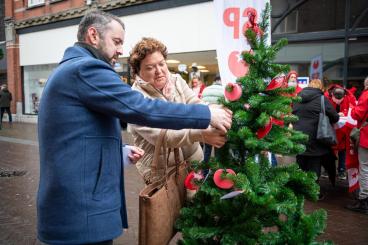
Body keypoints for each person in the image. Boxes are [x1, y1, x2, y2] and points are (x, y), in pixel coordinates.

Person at [37, 11, 232, 245]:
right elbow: (142, 109)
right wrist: (207, 114)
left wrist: (119, 151)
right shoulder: (85, 69)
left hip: (78, 205)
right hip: (81, 210)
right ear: (93, 35)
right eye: (117, 42)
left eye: (162, 65)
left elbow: (76, 135)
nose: (120, 50)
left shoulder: (74, 69)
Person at [127, 38, 226, 183]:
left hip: (193, 160)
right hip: (162, 171)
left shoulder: (176, 80)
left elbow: (194, 103)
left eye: (162, 64)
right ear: (138, 72)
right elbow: (163, 136)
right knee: (169, 205)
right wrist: (201, 134)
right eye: (150, 67)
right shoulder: (135, 99)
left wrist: (213, 110)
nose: (159, 71)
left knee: (196, 200)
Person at [292, 79, 339, 199]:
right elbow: (335, 116)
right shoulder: (322, 99)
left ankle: (299, 190)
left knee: (300, 164)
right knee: (314, 166)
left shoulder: (297, 98)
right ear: (321, 88)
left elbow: (293, 114)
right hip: (315, 138)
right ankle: (313, 192)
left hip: (299, 136)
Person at [325, 85, 357, 180]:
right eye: (336, 99)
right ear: (332, 95)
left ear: (344, 96)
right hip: (330, 129)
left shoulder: (349, 97)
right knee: (330, 150)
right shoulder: (326, 97)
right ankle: (328, 170)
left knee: (342, 150)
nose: (338, 101)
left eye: (341, 99)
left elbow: (354, 110)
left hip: (343, 130)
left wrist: (345, 112)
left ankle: (342, 170)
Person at [347, 76, 368, 214]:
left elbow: (357, 115)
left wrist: (353, 108)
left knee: (365, 167)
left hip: (366, 135)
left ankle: (364, 200)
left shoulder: (366, 95)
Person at [201, 74, 225, 163]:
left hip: (207, 121)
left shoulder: (206, 89)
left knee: (207, 148)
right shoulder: (225, 90)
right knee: (219, 146)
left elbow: (201, 103)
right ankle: (219, 171)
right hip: (220, 121)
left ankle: (205, 170)